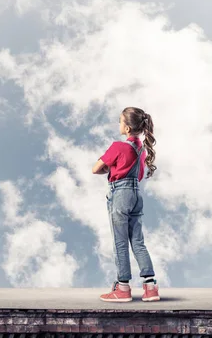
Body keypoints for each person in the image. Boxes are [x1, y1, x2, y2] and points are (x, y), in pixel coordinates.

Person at [91, 106, 160, 302]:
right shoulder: (142, 151)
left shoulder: (118, 147)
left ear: (128, 128)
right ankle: (150, 287)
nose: (119, 124)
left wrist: (110, 167)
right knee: (138, 241)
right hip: (136, 194)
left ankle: (122, 288)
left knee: (120, 241)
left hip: (120, 193)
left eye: (121, 121)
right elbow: (137, 175)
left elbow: (96, 169)